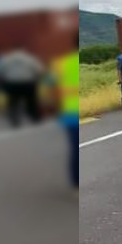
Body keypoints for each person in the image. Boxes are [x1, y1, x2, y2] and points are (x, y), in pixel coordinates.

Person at [50, 33, 80, 192]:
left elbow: (52, 88)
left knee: (73, 148)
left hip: (67, 112)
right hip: (75, 111)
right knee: (75, 148)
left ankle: (75, 184)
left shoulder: (59, 63)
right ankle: (75, 182)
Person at [0, 45, 44, 127]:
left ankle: (15, 120)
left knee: (13, 103)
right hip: (28, 83)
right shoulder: (29, 58)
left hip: (12, 84)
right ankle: (35, 117)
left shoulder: (6, 59)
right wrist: (37, 78)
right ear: (23, 50)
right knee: (31, 101)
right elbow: (39, 69)